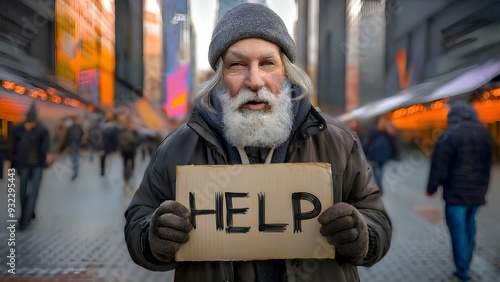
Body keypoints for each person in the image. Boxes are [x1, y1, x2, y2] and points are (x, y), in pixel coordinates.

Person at [124, 3, 391, 281]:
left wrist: (361, 236)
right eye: (237, 65)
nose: (254, 81)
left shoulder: (338, 142)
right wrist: (153, 238)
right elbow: (137, 221)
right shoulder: (177, 148)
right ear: (219, 78)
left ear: (286, 73)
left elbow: (377, 220)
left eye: (267, 63)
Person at [426, 100, 492, 282]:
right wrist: (485, 188)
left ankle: (462, 270)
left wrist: (431, 189)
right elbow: (488, 165)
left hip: (456, 194)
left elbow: (439, 165)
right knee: (470, 223)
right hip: (477, 191)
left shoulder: (449, 135)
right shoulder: (484, 135)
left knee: (457, 229)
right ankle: (467, 261)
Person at [9, 103, 53, 230]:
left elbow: (46, 148)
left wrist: (48, 156)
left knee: (33, 192)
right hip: (23, 166)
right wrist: (12, 165)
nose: (30, 126)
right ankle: (27, 213)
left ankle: (25, 219)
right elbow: (13, 149)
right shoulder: (17, 130)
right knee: (22, 192)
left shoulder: (43, 131)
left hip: (37, 166)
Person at [362, 116, 399, 193]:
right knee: (379, 172)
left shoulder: (375, 131)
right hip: (382, 156)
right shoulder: (386, 132)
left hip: (376, 156)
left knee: (377, 172)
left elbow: (368, 142)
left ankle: (379, 189)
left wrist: (364, 151)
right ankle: (379, 188)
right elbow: (393, 145)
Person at [61, 115, 84, 180]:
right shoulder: (74, 127)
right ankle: (75, 170)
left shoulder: (74, 127)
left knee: (75, 157)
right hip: (74, 144)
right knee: (75, 157)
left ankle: (75, 170)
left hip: (75, 144)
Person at [118, 121, 138, 196]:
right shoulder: (132, 133)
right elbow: (136, 141)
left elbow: (120, 142)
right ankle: (130, 172)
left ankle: (127, 172)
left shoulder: (123, 133)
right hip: (130, 151)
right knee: (130, 161)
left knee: (127, 162)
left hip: (126, 151)